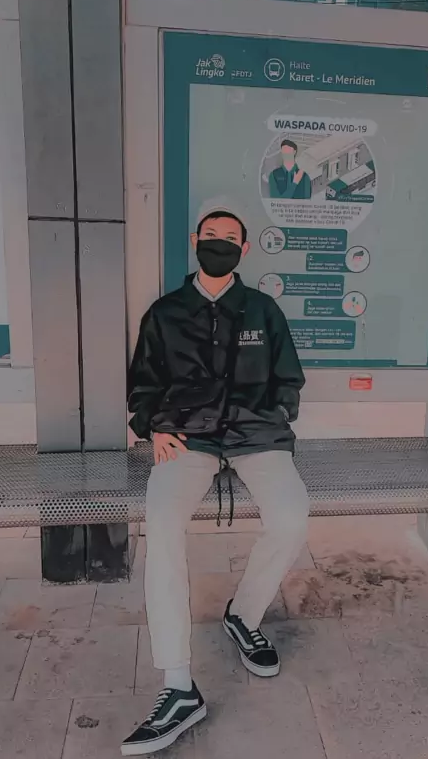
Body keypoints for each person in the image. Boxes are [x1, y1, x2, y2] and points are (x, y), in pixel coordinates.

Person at [122, 198, 309, 756]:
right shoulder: (165, 312)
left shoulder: (262, 310)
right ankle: (179, 684)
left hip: (256, 436)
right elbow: (143, 382)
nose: (219, 245)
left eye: (229, 239)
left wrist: (276, 414)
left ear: (244, 249)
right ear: (195, 242)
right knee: (162, 522)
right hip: (188, 438)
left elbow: (288, 376)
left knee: (291, 516)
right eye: (211, 236)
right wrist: (152, 426)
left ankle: (243, 616)